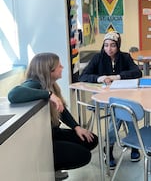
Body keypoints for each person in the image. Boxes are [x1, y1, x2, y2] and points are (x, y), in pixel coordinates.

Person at [8, 52, 98, 181]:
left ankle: (54, 167)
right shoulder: (33, 84)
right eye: (59, 65)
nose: (62, 67)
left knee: (91, 139)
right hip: (45, 140)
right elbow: (13, 94)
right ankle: (51, 169)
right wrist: (49, 95)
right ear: (49, 70)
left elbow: (61, 110)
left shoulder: (51, 85)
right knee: (84, 155)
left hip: (54, 133)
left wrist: (77, 127)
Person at [79, 31, 142, 168]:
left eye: (113, 45)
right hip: (103, 99)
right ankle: (133, 144)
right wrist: (99, 78)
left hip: (123, 97)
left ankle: (109, 146)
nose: (109, 49)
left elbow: (137, 72)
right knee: (122, 110)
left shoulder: (125, 57)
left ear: (118, 46)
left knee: (122, 109)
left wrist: (117, 77)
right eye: (106, 45)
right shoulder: (98, 58)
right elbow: (83, 76)